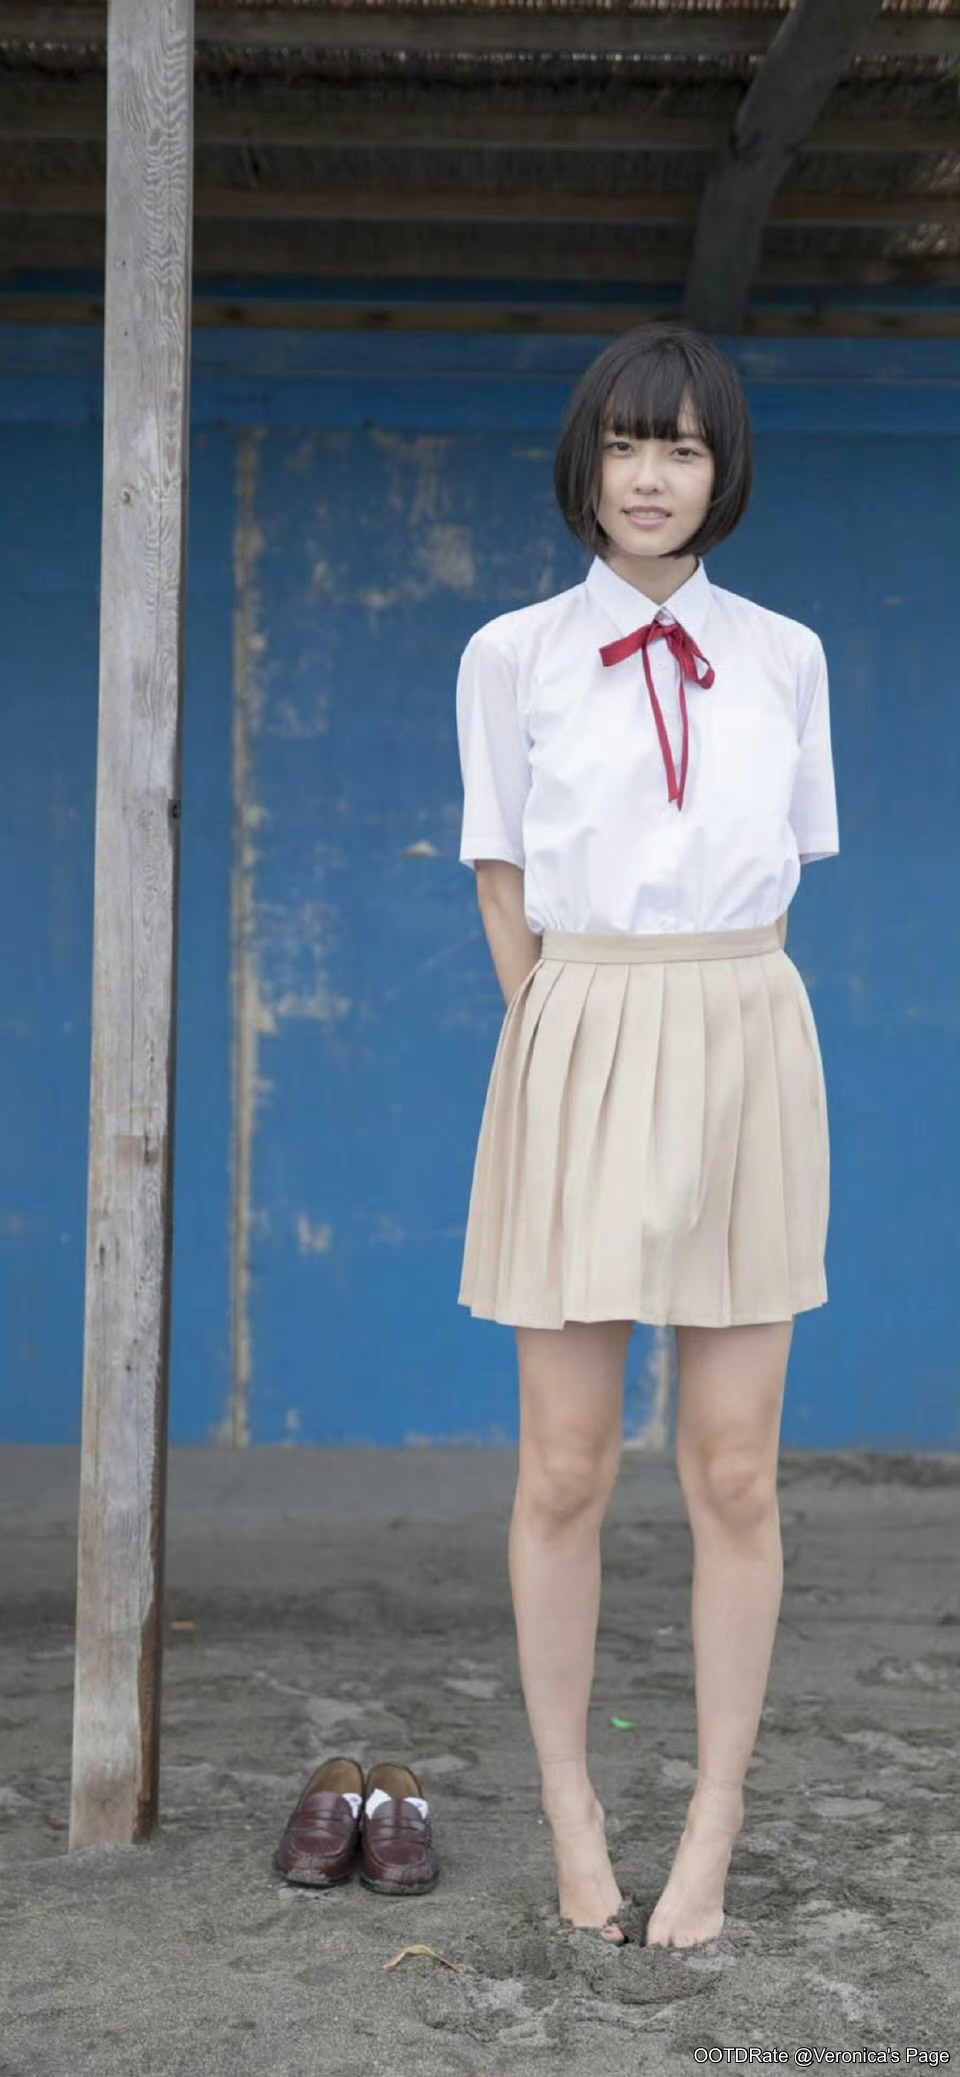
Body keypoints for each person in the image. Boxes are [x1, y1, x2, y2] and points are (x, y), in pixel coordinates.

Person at [453, 322, 839, 1950]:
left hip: (745, 1027)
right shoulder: (510, 656)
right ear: (587, 464)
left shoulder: (789, 656)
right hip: (578, 1024)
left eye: (682, 446)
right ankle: (572, 1809)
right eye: (626, 444)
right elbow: (501, 875)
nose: (651, 476)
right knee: (566, 1464)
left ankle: (714, 1821)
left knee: (732, 1467)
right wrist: (564, 1051)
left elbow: (789, 867)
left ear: (721, 468)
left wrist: (696, 1027)